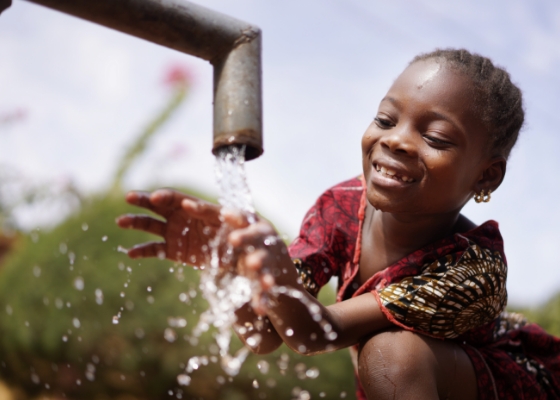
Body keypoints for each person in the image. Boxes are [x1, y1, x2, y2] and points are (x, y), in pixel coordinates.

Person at [117, 48, 560, 399]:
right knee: (385, 358)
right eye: (386, 119)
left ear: (486, 175)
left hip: (518, 383)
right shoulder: (341, 207)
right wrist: (233, 269)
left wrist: (276, 277)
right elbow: (268, 333)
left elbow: (314, 332)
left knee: (391, 354)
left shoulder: (473, 267)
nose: (396, 140)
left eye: (435, 138)